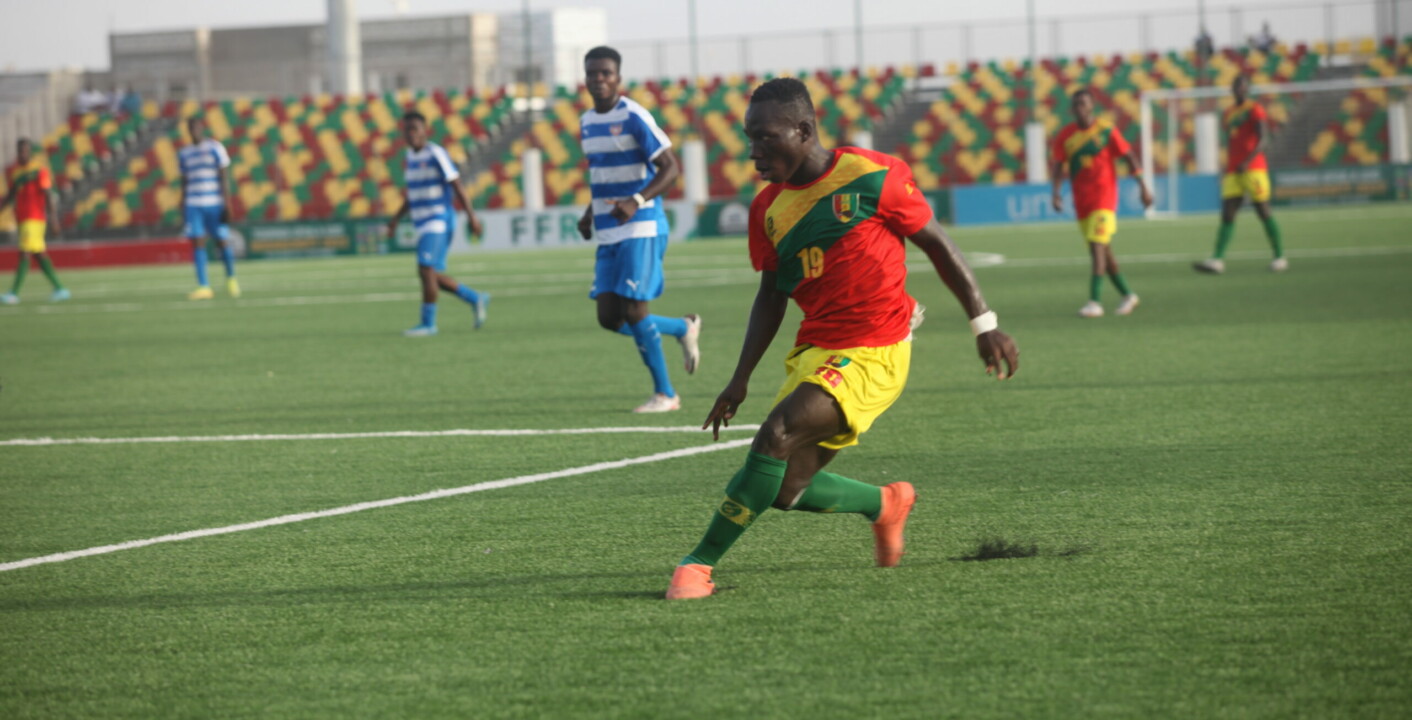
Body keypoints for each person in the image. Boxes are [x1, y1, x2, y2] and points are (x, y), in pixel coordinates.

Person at [665, 78, 1020, 601]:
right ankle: (886, 504)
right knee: (786, 489)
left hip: (877, 349)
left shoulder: (874, 176)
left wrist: (984, 325)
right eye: (749, 138)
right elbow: (771, 295)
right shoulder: (767, 210)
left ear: (804, 131)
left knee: (776, 434)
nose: (754, 151)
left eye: (766, 137)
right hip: (816, 350)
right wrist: (739, 379)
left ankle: (697, 566)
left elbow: (938, 245)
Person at [577, 45, 702, 414]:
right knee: (609, 317)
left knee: (634, 310)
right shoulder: (587, 121)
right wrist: (589, 213)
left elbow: (670, 167)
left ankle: (666, 394)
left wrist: (636, 200)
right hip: (608, 228)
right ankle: (682, 328)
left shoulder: (633, 116)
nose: (599, 79)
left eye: (606, 73)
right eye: (592, 73)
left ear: (618, 77)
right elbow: (602, 174)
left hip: (641, 225)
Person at [1050, 88, 1153, 318]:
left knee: (1097, 247)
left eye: (1083, 103)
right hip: (1082, 201)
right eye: (1076, 104)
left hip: (1104, 199)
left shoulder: (1106, 130)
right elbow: (1058, 165)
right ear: (1072, 109)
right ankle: (1128, 295)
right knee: (1104, 252)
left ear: (1091, 106)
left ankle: (1094, 302)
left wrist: (1143, 186)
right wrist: (1055, 193)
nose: (1079, 108)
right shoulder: (1066, 136)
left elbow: (1128, 156)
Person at [386, 111, 488, 336]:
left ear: (425, 131)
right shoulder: (410, 157)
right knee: (431, 274)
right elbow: (412, 195)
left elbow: (456, 184)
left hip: (438, 219)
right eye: (407, 130)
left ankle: (428, 324)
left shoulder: (435, 153)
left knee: (425, 269)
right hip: (423, 222)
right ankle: (475, 298)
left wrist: (472, 216)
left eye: (415, 129)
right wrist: (395, 220)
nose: (411, 134)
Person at [1194, 75, 1286, 274]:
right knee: (1227, 213)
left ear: (1247, 89)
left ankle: (1279, 257)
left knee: (1263, 211)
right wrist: (1226, 165)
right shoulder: (1228, 113)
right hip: (1233, 171)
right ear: (1232, 90)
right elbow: (1232, 142)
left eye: (1243, 87)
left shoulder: (1255, 109)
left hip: (1254, 168)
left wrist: (1247, 161)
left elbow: (1263, 139)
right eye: (1236, 86)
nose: (1239, 90)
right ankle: (1217, 260)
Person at [1, 139, 69, 304]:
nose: (22, 154)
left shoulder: (39, 170)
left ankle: (14, 293)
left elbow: (48, 194)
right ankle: (60, 288)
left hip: (35, 218)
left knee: (24, 252)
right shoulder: (16, 173)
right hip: (22, 218)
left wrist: (53, 219)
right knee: (38, 254)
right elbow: (11, 196)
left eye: (25, 151)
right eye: (20, 151)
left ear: (30, 152)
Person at [179, 116, 240, 299]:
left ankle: (231, 278)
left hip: (214, 202)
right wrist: (182, 203)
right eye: (191, 128)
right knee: (197, 241)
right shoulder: (184, 153)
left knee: (222, 241)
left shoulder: (215, 147)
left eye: (196, 127)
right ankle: (204, 286)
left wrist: (227, 203)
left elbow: (224, 176)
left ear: (202, 128)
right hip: (193, 204)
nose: (194, 131)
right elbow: (184, 181)